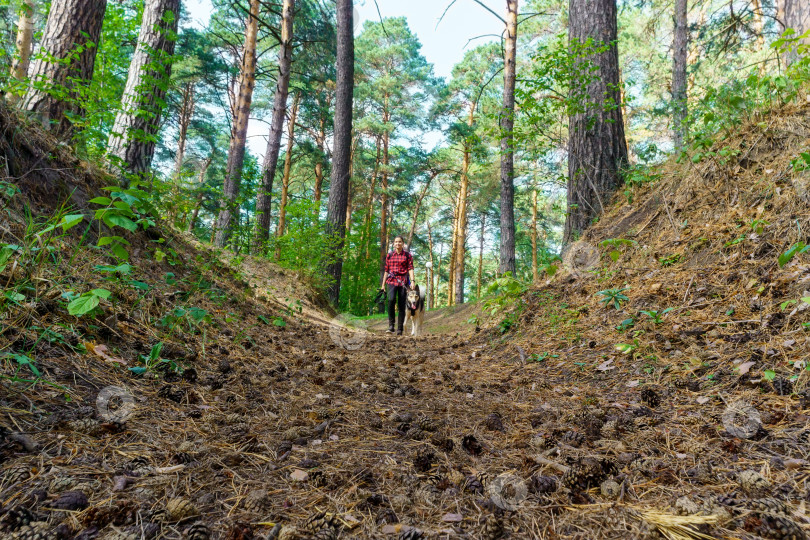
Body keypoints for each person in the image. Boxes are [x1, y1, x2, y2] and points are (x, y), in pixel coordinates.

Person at [380, 236, 416, 335]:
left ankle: (400, 328)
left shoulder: (408, 255)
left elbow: (411, 268)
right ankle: (391, 326)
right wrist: (383, 285)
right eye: (396, 242)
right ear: (393, 244)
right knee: (391, 300)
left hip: (403, 281)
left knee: (401, 305)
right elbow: (386, 271)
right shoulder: (390, 255)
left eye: (399, 242)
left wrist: (412, 281)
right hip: (391, 281)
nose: (398, 244)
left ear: (403, 243)